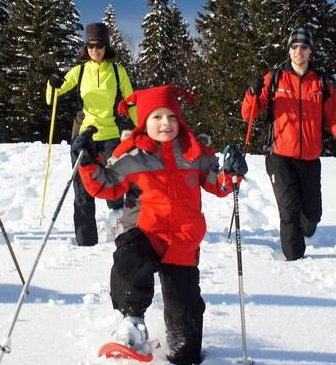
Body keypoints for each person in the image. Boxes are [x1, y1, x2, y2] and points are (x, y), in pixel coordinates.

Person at [72, 85, 248, 365]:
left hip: (182, 242)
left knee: (185, 332)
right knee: (129, 259)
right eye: (156, 118)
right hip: (146, 231)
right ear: (144, 123)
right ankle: (132, 323)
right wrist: (89, 163)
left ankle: (182, 346)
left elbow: (219, 183)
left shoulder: (195, 154)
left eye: (171, 117)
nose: (165, 124)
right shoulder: (132, 157)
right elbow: (105, 185)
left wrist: (232, 172)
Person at [241, 27, 336, 261]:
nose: (299, 51)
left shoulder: (322, 84)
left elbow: (334, 121)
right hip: (280, 156)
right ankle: (294, 261)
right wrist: (251, 92)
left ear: (310, 51)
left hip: (309, 159)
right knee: (288, 212)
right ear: (289, 50)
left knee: (311, 217)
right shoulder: (274, 79)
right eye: (295, 46)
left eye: (304, 46)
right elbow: (249, 114)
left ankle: (304, 231)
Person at [45, 22, 137, 247]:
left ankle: (118, 232)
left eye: (99, 46)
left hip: (110, 135)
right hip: (84, 136)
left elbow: (131, 101)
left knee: (114, 188)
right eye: (90, 46)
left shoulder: (117, 72)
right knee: (82, 189)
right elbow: (53, 97)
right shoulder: (80, 70)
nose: (95, 50)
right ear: (86, 47)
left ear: (106, 47)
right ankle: (86, 244)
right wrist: (52, 84)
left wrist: (142, 125)